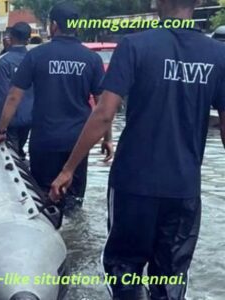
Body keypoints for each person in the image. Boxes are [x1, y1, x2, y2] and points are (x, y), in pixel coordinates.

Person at [49, 0, 225, 298]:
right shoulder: (219, 54)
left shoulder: (134, 46)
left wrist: (68, 168)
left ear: (158, 1)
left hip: (134, 185)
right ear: (196, 3)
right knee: (170, 277)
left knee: (124, 269)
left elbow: (104, 113)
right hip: (183, 188)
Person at [0, 1, 113, 206]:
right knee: (74, 201)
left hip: (45, 140)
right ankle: (75, 237)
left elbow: (13, 97)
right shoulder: (91, 59)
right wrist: (107, 138)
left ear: (54, 25)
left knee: (44, 200)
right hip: (78, 143)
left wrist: (2, 129)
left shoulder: (37, 55)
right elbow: (102, 106)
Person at [0, 22, 34, 157]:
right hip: (30, 118)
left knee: (10, 155)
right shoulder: (33, 58)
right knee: (20, 149)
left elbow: (1, 94)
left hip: (9, 121)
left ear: (10, 37)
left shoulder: (3, 61)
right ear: (28, 39)